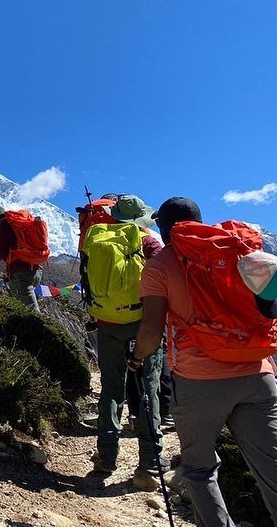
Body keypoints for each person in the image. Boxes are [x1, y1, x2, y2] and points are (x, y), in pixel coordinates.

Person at [133, 197, 277, 527]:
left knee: (200, 471)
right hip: (257, 373)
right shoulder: (236, 251)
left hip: (199, 380)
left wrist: (137, 358)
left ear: (163, 228)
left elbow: (151, 329)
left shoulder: (160, 265)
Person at [80, 194, 166, 488]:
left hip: (107, 324)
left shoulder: (96, 238)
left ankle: (106, 457)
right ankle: (149, 463)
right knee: (149, 389)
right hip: (143, 322)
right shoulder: (149, 242)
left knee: (112, 389)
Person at [0, 205, 47, 313]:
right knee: (23, 309)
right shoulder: (16, 224)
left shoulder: (2, 225)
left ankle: (37, 328)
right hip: (36, 269)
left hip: (21, 272)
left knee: (31, 312)